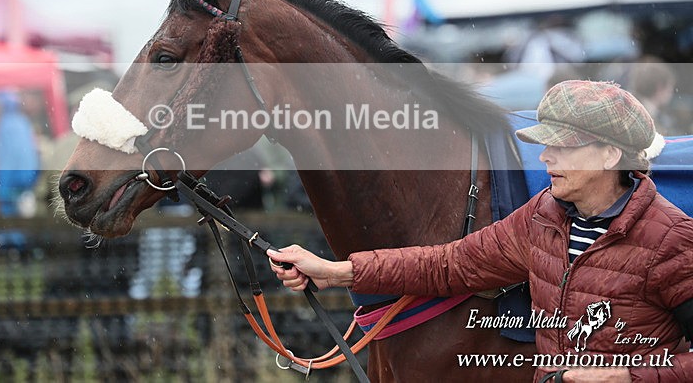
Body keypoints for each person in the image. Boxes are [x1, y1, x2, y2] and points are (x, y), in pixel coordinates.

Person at [268, 80, 693, 382]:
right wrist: (335, 272)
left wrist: (628, 377)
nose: (545, 157)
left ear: (609, 155)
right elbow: (448, 265)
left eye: (562, 146)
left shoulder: (673, 241)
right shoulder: (541, 216)